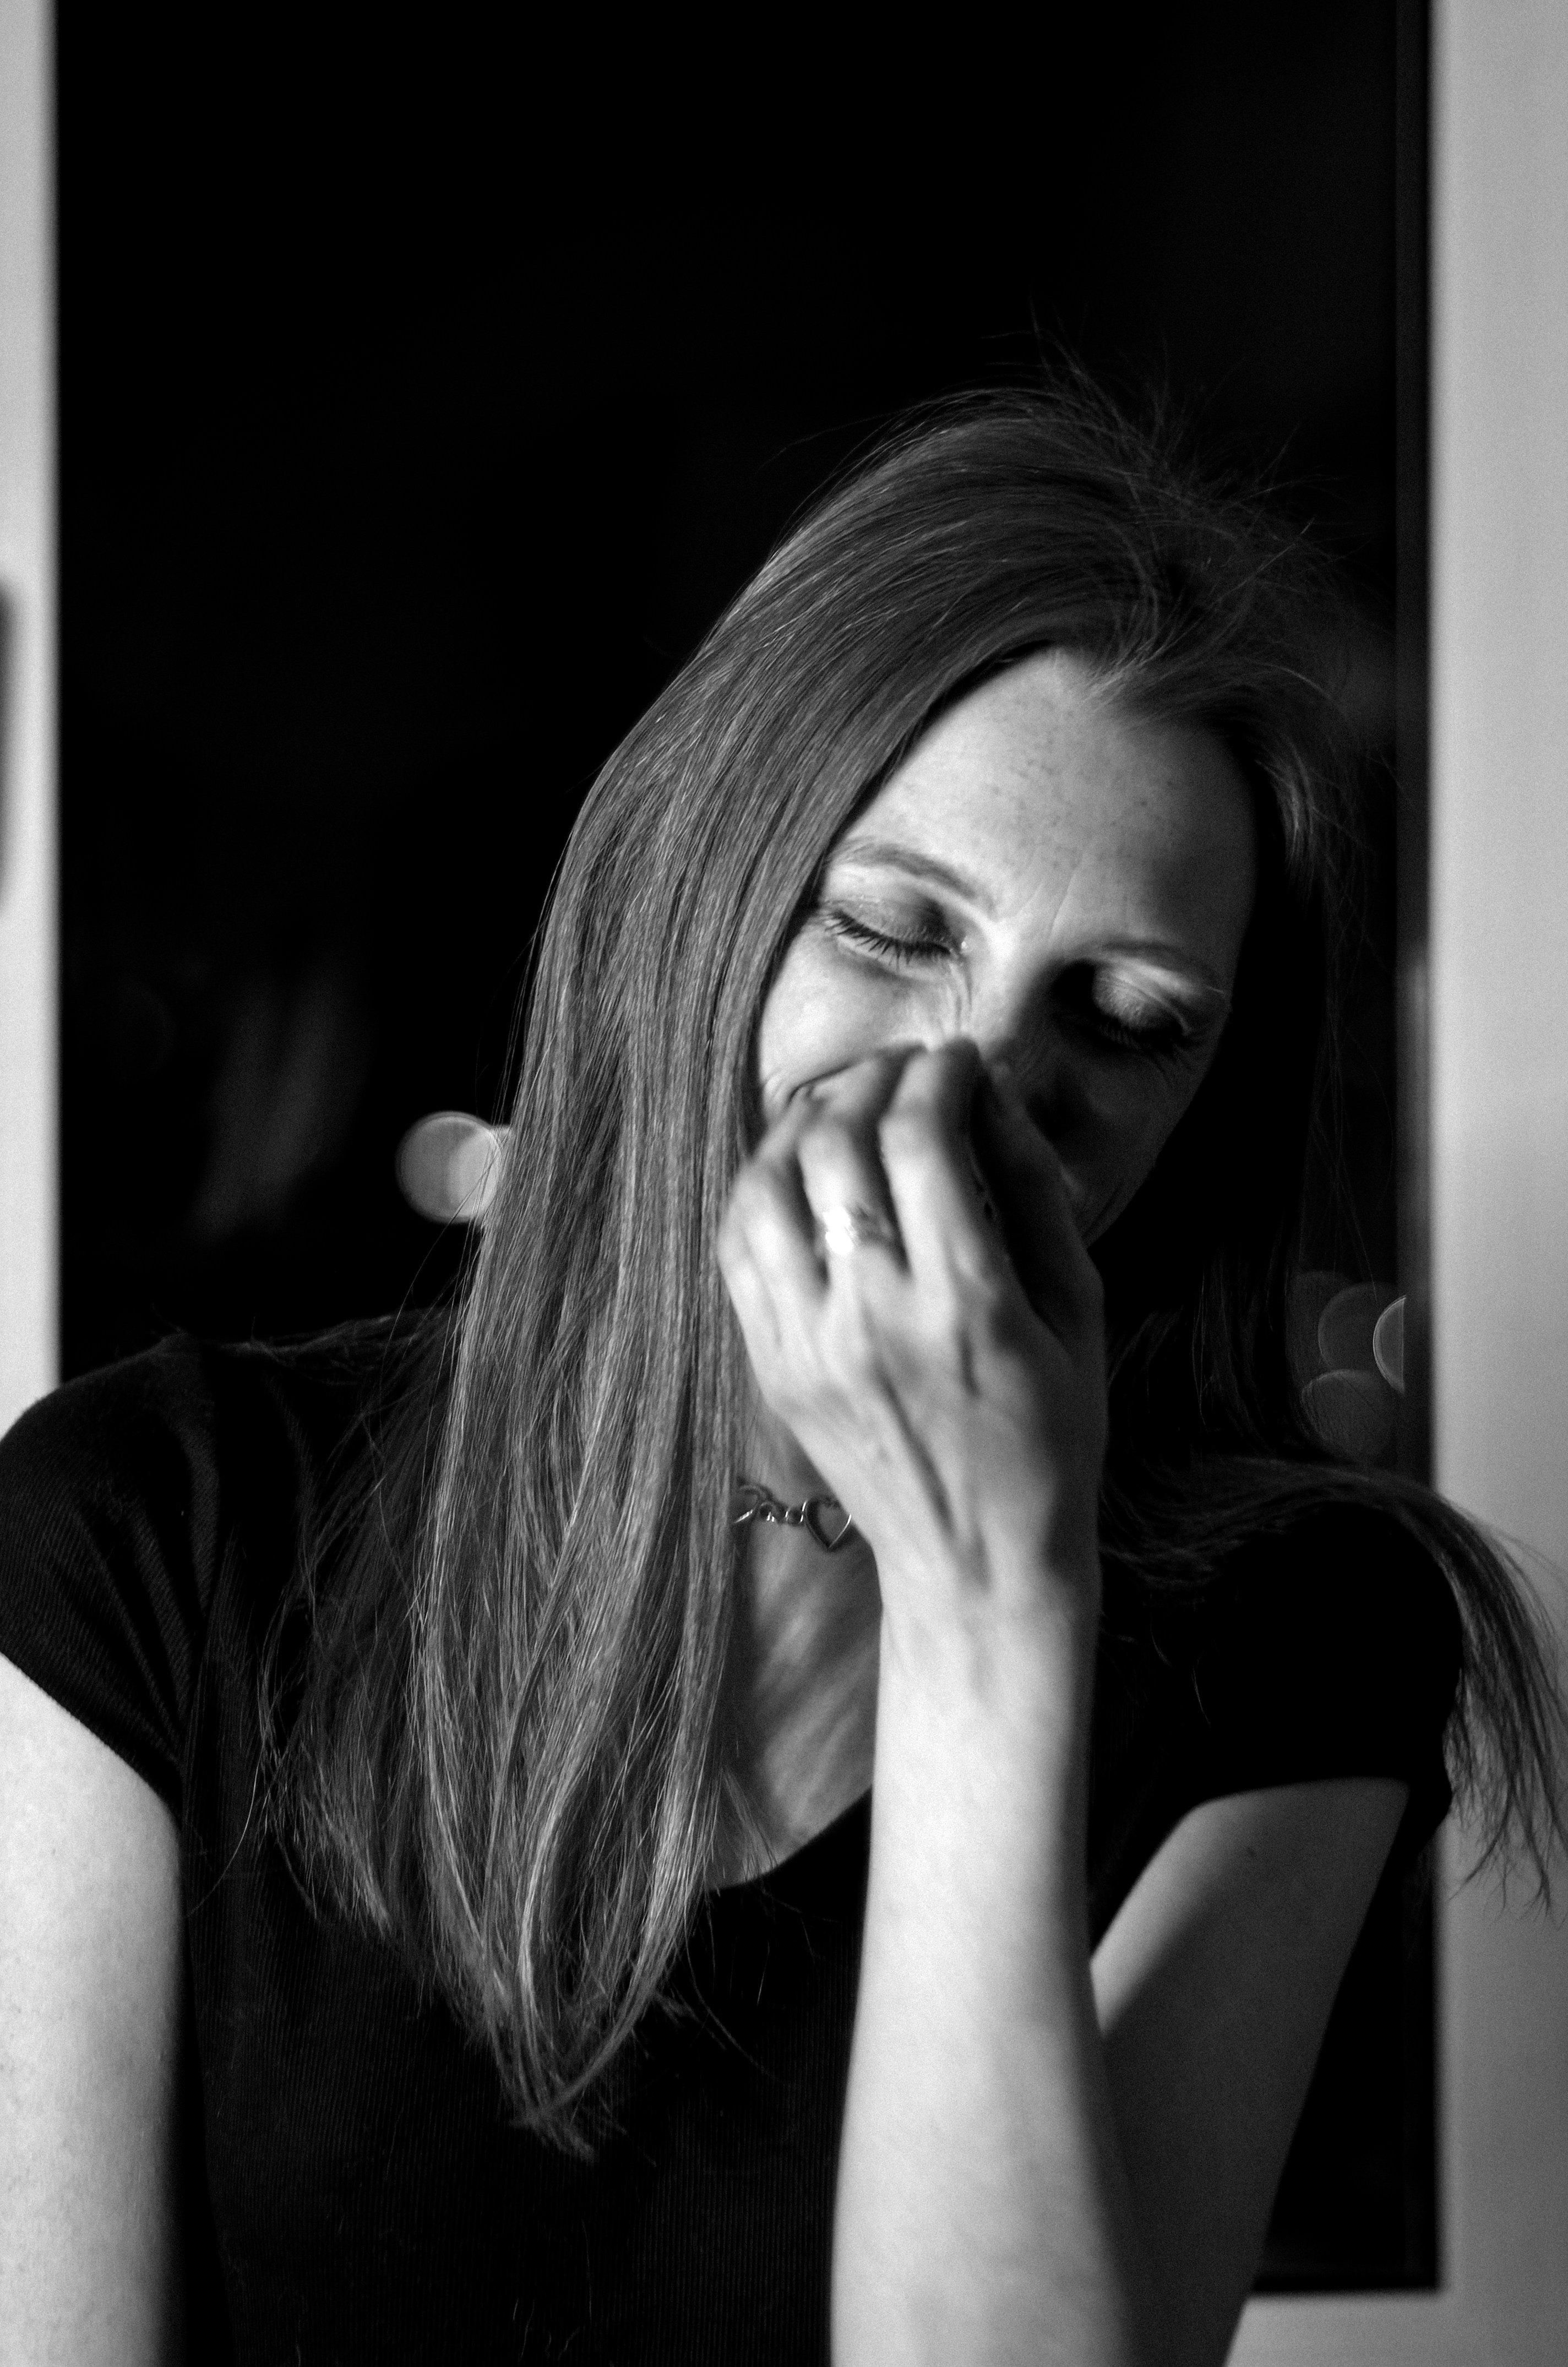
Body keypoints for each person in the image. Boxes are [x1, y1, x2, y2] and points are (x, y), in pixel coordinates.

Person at [0, 384, 1561, 2367]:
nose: (977, 1085)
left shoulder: (1296, 1645)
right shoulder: (149, 1530)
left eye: (1130, 1017)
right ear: (707, 907)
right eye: (895, 928)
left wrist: (993, 1602)